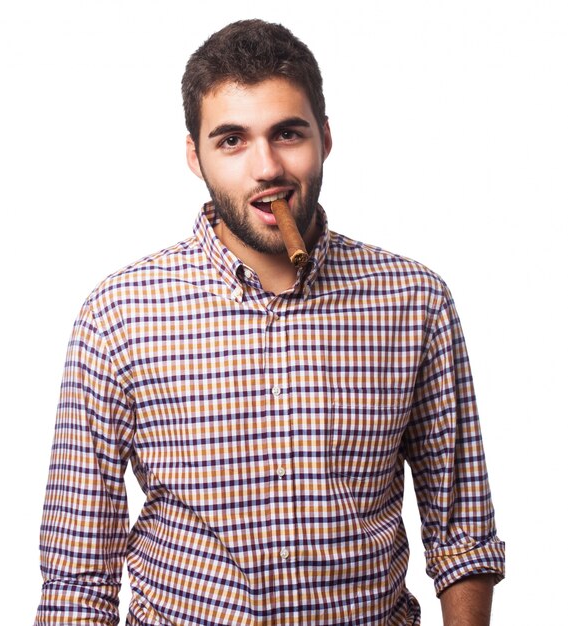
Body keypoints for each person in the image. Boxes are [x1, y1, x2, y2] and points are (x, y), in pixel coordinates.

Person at [34, 19, 505, 626]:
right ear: (193, 154)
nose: (267, 168)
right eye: (231, 140)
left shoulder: (416, 300)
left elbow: (462, 531)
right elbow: (78, 568)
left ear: (326, 137)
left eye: (287, 133)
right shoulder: (118, 313)